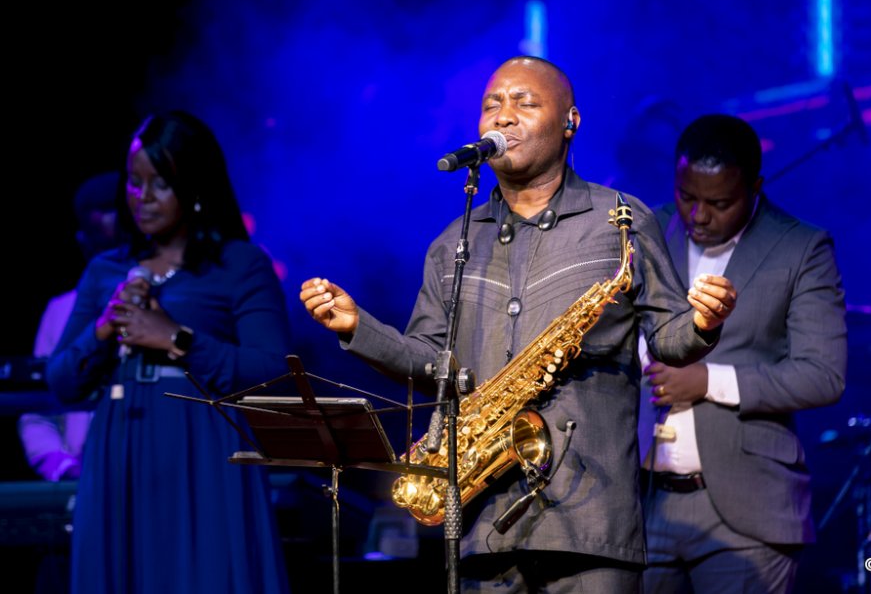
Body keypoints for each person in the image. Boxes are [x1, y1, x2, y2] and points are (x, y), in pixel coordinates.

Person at [300, 56, 737, 592]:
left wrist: (704, 321)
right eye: (492, 105)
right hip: (483, 523)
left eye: (524, 103)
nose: (503, 116)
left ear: (571, 121)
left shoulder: (621, 220)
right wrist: (357, 328)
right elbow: (430, 363)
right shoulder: (453, 243)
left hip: (590, 520)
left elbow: (668, 338)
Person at [46, 110, 291, 594]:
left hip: (202, 450)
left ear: (195, 186)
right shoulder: (106, 270)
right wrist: (103, 328)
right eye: (134, 182)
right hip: (119, 447)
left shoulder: (238, 264)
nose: (143, 197)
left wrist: (177, 339)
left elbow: (272, 372)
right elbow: (61, 383)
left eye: (160, 183)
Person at [638, 113, 847, 593]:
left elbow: (823, 375)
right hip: (642, 503)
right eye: (686, 197)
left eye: (719, 203)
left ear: (755, 187)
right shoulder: (649, 230)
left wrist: (708, 380)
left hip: (747, 511)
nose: (698, 216)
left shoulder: (801, 247)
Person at [19, 171, 120, 483]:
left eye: (121, 248)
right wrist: (61, 467)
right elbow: (37, 409)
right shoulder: (60, 311)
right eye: (103, 248)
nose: (111, 265)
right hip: (83, 480)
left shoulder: (170, 300)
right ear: (83, 242)